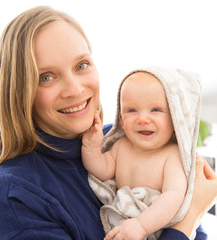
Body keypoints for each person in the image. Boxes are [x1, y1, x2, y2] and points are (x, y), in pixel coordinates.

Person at [0, 5, 217, 240]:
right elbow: (188, 225)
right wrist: (190, 217)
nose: (75, 89)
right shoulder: (8, 192)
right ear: (19, 91)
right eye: (46, 77)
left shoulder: (124, 140)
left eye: (82, 65)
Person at [82, 66, 203, 240]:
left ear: (175, 118)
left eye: (155, 110)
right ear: (122, 120)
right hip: (123, 224)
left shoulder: (172, 155)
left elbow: (174, 196)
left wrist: (141, 225)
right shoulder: (121, 146)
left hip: (155, 225)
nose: (143, 119)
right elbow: (102, 170)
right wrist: (91, 149)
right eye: (132, 110)